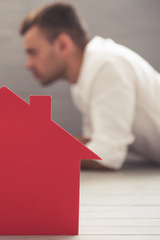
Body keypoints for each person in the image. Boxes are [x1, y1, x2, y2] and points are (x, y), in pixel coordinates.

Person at [20, 3, 160, 170]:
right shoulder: (85, 77)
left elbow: (106, 155)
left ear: (63, 44)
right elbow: (92, 141)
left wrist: (39, 155)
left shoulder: (106, 66)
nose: (28, 65)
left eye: (33, 52)